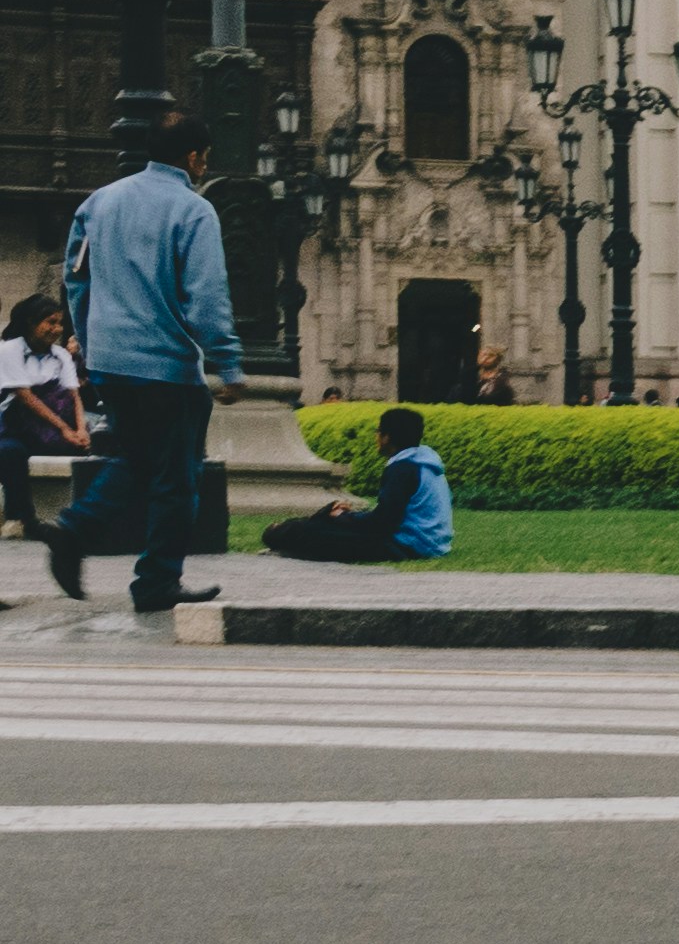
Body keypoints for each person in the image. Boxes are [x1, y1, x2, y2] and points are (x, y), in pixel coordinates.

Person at [46, 113, 234, 615]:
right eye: (204, 156)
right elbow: (207, 295)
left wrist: (88, 341)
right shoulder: (194, 211)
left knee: (136, 458)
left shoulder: (99, 202)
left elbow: (76, 278)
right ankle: (152, 580)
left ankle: (76, 532)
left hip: (112, 361)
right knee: (177, 480)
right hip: (166, 366)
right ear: (194, 157)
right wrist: (227, 362)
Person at [261, 408, 455, 563]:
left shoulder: (403, 468)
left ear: (387, 437)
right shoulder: (425, 462)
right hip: (429, 543)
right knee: (327, 522)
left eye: (378, 432)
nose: (376, 438)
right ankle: (288, 529)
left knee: (311, 532)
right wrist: (349, 517)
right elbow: (390, 516)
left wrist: (344, 518)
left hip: (407, 546)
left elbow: (381, 524)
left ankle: (277, 532)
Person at [1, 291, 82, 543]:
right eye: (50, 322)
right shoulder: (9, 350)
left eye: (59, 322)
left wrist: (81, 430)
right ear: (31, 323)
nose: (56, 329)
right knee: (10, 452)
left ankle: (82, 520)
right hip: (14, 427)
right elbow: (26, 397)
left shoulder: (59, 355)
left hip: (49, 431)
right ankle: (21, 518)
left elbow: (74, 395)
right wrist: (65, 429)